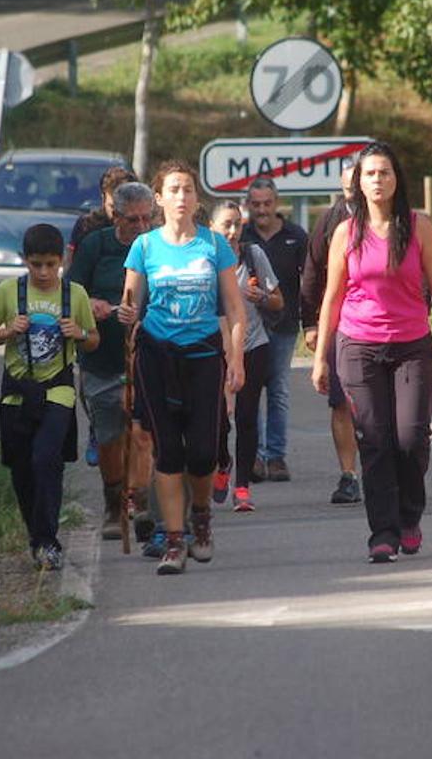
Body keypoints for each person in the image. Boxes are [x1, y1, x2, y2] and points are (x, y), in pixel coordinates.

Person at [311, 141, 432, 563]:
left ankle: (410, 515)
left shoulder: (418, 227)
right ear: (358, 182)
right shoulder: (346, 232)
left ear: (397, 180)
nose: (377, 180)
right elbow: (332, 299)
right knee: (374, 442)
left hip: (412, 345)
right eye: (370, 173)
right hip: (358, 346)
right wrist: (321, 356)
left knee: (410, 439)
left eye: (385, 173)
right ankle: (384, 532)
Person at [117, 160, 245, 575]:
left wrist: (237, 359)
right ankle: (174, 541)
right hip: (157, 357)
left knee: (204, 453)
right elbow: (131, 305)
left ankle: (202, 515)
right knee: (168, 451)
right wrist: (125, 313)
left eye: (188, 189)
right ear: (159, 198)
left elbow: (234, 308)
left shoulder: (213, 245)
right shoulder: (145, 247)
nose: (181, 197)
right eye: (173, 189)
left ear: (196, 198)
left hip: (205, 356)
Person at [0, 223, 99, 571]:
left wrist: (78, 333)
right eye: (36, 264)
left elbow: (93, 339)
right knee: (21, 468)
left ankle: (48, 541)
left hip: (57, 389)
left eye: (50, 264)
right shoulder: (8, 292)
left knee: (46, 459)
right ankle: (37, 535)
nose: (44, 272)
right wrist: (5, 332)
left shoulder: (73, 294)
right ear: (24, 261)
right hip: (17, 390)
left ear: (61, 260)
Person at [69, 181, 159, 540]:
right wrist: (91, 305)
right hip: (102, 359)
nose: (140, 227)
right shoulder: (96, 246)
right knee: (109, 438)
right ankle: (113, 501)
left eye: (145, 219)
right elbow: (71, 292)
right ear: (115, 216)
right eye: (132, 220)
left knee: (143, 435)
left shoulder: (159, 247)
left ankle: (140, 503)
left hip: (150, 356)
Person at [209, 200, 283, 513]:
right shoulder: (202, 260)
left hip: (253, 345)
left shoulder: (253, 255)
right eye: (225, 224)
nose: (231, 231)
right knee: (216, 421)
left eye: (237, 224)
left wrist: (263, 297)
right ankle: (222, 462)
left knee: (247, 418)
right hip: (214, 349)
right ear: (211, 227)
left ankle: (242, 487)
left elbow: (279, 301)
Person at [301, 160, 362, 505]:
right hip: (339, 325)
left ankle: (386, 470)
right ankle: (349, 475)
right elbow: (311, 272)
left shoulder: (394, 221)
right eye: (346, 183)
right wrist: (309, 323)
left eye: (357, 180)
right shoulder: (330, 220)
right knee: (341, 403)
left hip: (383, 326)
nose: (351, 188)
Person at [69, 164, 137, 466]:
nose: (138, 223)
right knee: (95, 397)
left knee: (140, 427)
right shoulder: (89, 231)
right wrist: (90, 303)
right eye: (114, 208)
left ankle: (139, 495)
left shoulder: (151, 236)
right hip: (99, 338)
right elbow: (72, 282)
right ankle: (99, 431)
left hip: (140, 343)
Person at [241, 177, 308, 483]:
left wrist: (310, 323)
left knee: (278, 389)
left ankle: (276, 456)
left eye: (267, 203)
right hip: (248, 326)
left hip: (283, 326)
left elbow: (309, 283)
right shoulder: (241, 237)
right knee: (250, 391)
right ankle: (253, 455)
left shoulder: (296, 236)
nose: (262, 210)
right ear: (248, 206)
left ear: (276, 203)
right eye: (255, 204)